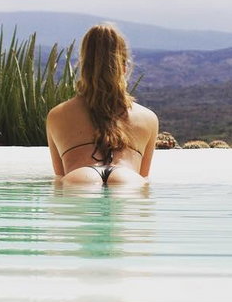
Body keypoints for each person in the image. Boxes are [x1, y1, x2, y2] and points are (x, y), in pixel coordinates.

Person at [47, 24, 158, 185]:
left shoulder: (57, 115)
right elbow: (144, 176)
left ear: (83, 67)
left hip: (80, 177)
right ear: (124, 68)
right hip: (126, 178)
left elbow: (59, 176)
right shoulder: (149, 118)